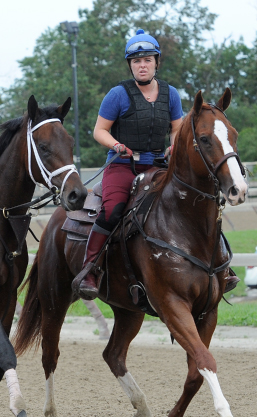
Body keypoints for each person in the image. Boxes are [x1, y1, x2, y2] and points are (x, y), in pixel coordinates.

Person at [73, 29, 184, 300]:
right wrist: (116, 145)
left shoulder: (171, 94)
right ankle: (90, 269)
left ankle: (218, 266)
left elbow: (177, 129)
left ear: (156, 62)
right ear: (130, 65)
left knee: (190, 201)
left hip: (158, 166)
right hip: (123, 166)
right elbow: (100, 130)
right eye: (136, 61)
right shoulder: (117, 94)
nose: (142, 65)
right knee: (112, 210)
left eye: (147, 60)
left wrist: (174, 146)